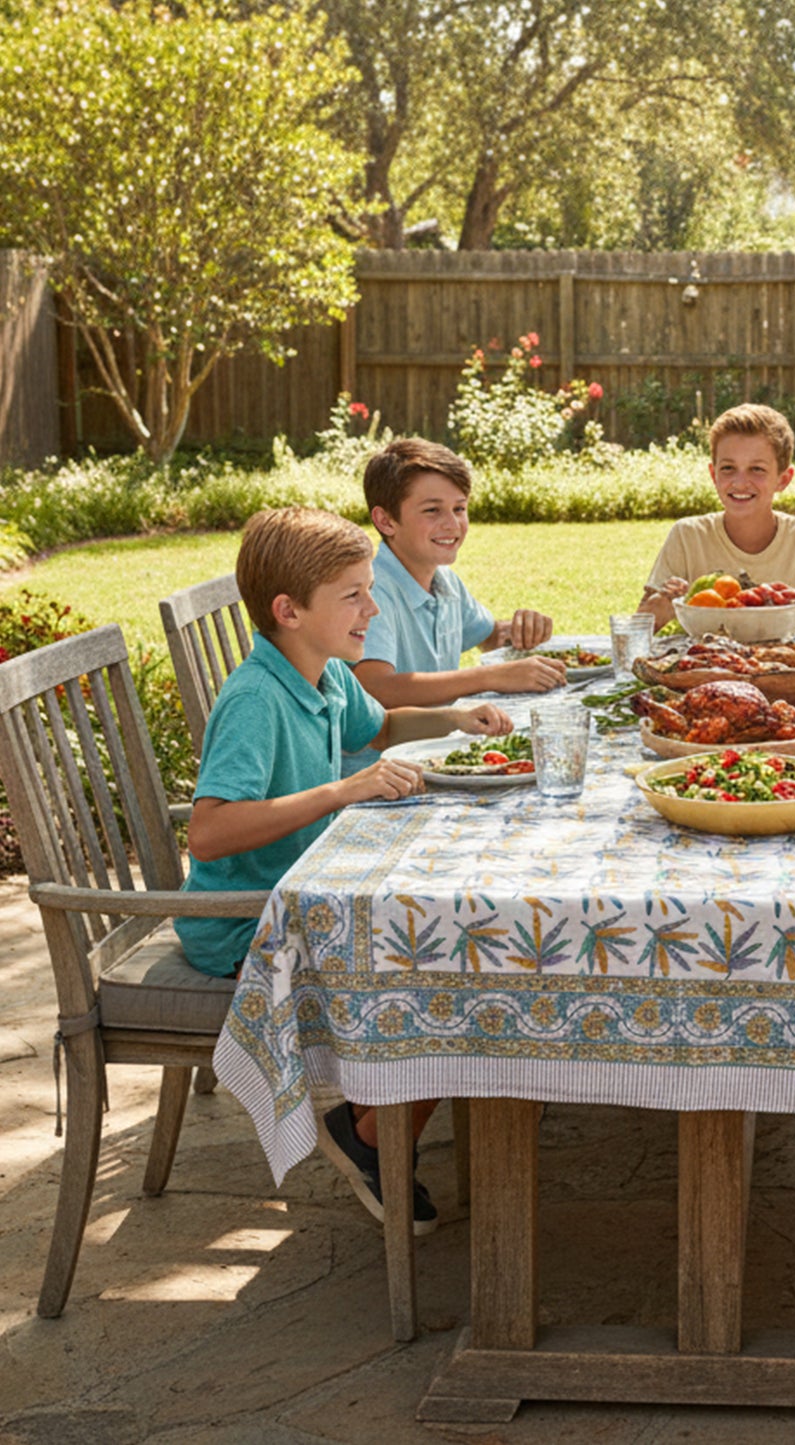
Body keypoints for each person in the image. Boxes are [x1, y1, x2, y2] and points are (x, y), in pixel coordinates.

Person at [177, 506, 516, 1234]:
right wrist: (342, 790)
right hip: (248, 924)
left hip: (309, 892)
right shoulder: (256, 699)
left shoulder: (324, 671)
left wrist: (455, 717)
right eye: (355, 595)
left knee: (453, 940)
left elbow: (379, 727)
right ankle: (368, 1135)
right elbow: (207, 832)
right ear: (289, 611)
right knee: (443, 964)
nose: (374, 608)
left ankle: (384, 1113)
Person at [343, 437, 564, 775]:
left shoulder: (443, 581)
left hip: (431, 758)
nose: (452, 524)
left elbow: (489, 635)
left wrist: (522, 629)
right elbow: (377, 689)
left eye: (459, 508)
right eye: (432, 510)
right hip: (380, 774)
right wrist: (491, 676)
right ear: (386, 521)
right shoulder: (374, 591)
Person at [638, 403, 795, 636]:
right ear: (713, 474)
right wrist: (661, 606)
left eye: (757, 469)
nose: (740, 482)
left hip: (790, 659)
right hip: (706, 659)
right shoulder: (688, 536)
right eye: (728, 468)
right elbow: (638, 631)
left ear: (783, 479)